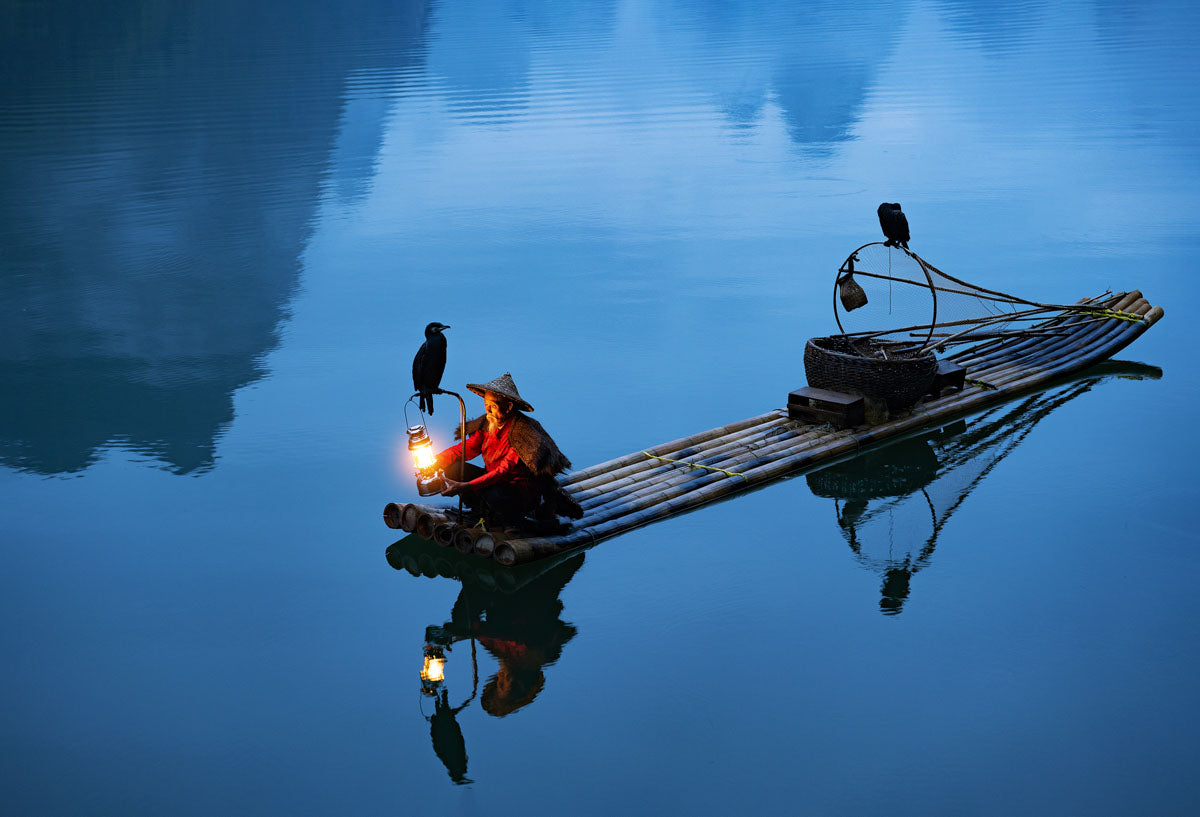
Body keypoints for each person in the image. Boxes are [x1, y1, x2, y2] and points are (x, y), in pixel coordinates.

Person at [431, 372, 583, 526]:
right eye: (486, 405)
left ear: (508, 406)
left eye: (493, 406)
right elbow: (466, 449)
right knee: (454, 469)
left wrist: (467, 486)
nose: (488, 411)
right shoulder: (487, 424)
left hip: (516, 492)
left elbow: (503, 471)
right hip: (491, 481)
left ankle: (511, 519)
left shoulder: (522, 434)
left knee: (492, 493)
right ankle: (479, 510)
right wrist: (435, 461)